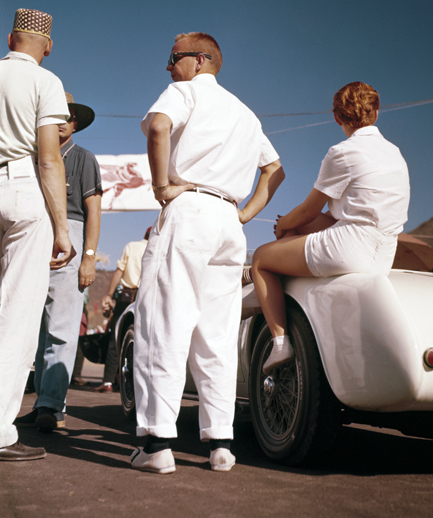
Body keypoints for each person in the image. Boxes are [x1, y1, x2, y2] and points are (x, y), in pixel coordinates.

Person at [132, 32, 284, 474]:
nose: (168, 66)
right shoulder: (245, 113)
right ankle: (221, 444)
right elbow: (275, 169)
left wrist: (162, 187)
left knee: (164, 321)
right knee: (216, 333)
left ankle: (158, 443)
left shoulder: (184, 91)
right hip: (226, 221)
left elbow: (159, 125)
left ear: (200, 60)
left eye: (173, 58)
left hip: (190, 208)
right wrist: (244, 214)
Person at [252, 81, 410, 374]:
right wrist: (292, 223)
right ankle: (291, 291)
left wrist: (284, 224)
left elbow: (309, 209)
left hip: (351, 247)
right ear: (376, 113)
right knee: (298, 225)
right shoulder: (395, 153)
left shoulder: (342, 152)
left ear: (338, 118)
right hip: (383, 250)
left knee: (261, 258)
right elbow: (316, 216)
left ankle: (280, 341)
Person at [0, 9, 74, 461]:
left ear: (10, 38)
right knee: (16, 314)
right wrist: (62, 230)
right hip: (23, 190)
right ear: (47, 46)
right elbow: (49, 158)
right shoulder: (45, 81)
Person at [14, 92, 102, 431]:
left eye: (65, 118)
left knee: (61, 327)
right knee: (32, 327)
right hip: (33, 234)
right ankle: (40, 403)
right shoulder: (32, 156)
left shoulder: (83, 158)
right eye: (52, 117)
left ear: (75, 123)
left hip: (72, 236)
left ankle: (51, 405)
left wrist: (89, 259)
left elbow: (93, 210)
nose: (59, 124)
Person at [96, 227, 150, 393]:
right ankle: (139, 383)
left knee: (116, 338)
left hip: (127, 297)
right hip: (147, 296)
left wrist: (109, 295)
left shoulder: (132, 246)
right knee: (145, 338)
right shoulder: (159, 248)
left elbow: (119, 271)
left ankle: (108, 382)